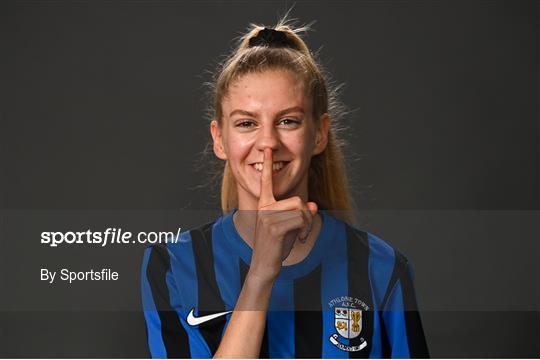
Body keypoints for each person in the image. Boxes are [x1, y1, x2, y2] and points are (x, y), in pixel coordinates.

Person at [141, 16, 429, 359]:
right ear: (220, 139)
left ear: (319, 133)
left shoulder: (382, 270)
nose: (267, 143)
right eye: (247, 123)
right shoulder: (175, 265)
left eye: (288, 121)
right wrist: (261, 273)